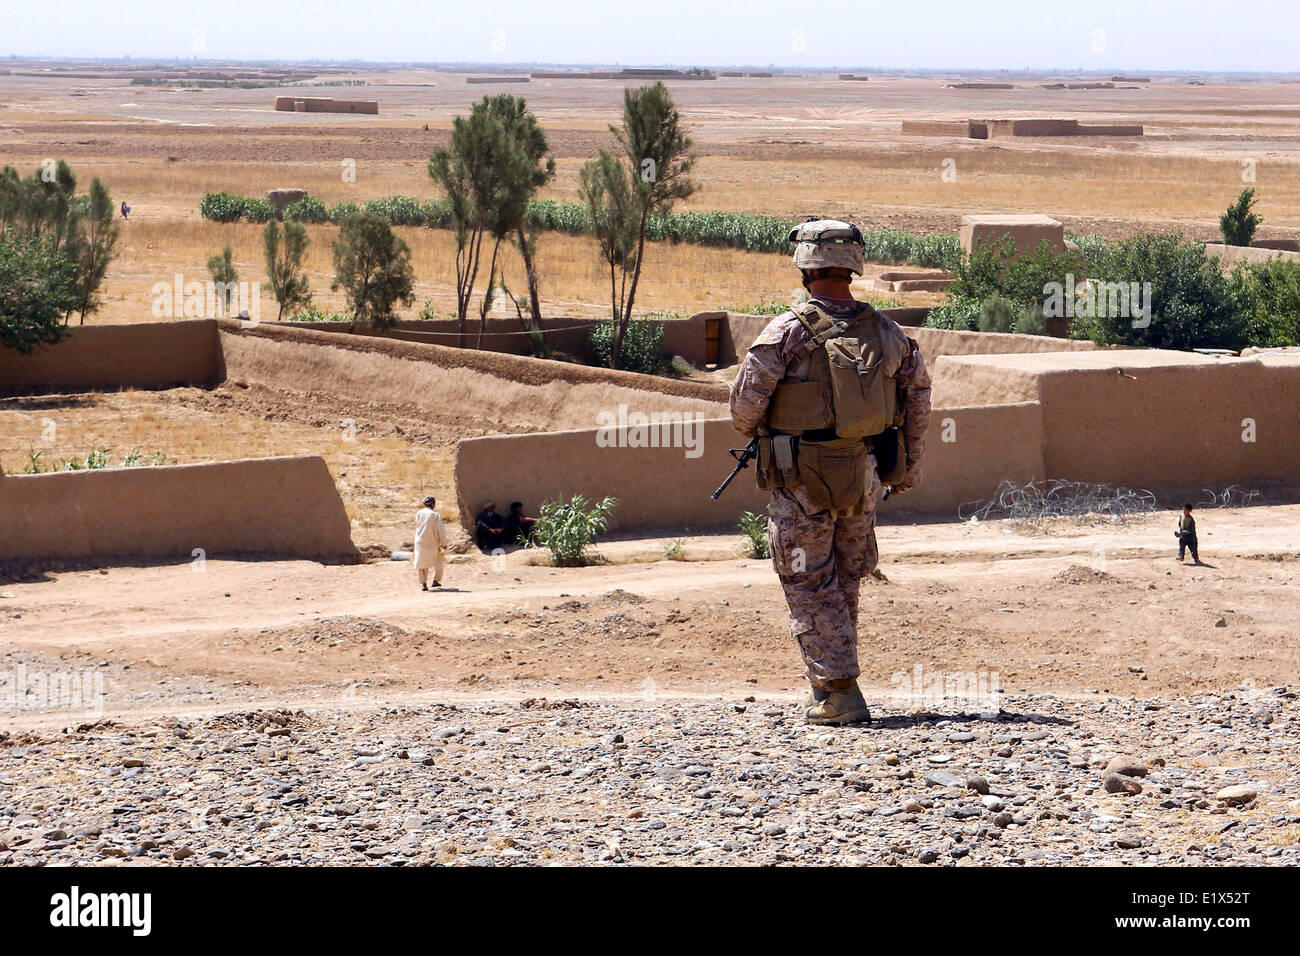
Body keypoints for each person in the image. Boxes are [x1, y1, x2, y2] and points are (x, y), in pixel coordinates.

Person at [729, 218, 932, 726]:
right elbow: (918, 398)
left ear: (804, 266)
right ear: (853, 264)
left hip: (803, 479)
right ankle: (829, 687)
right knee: (844, 580)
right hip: (864, 474)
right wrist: (905, 467)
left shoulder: (786, 331)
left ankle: (839, 691)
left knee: (807, 581)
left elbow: (742, 413)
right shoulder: (887, 331)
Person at [413, 496, 447, 590]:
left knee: (422, 563)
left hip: (420, 541)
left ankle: (423, 584)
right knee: (438, 562)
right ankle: (436, 581)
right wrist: (444, 543)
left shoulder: (419, 513)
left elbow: (417, 525)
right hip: (433, 542)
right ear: (433, 504)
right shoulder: (435, 514)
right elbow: (441, 530)